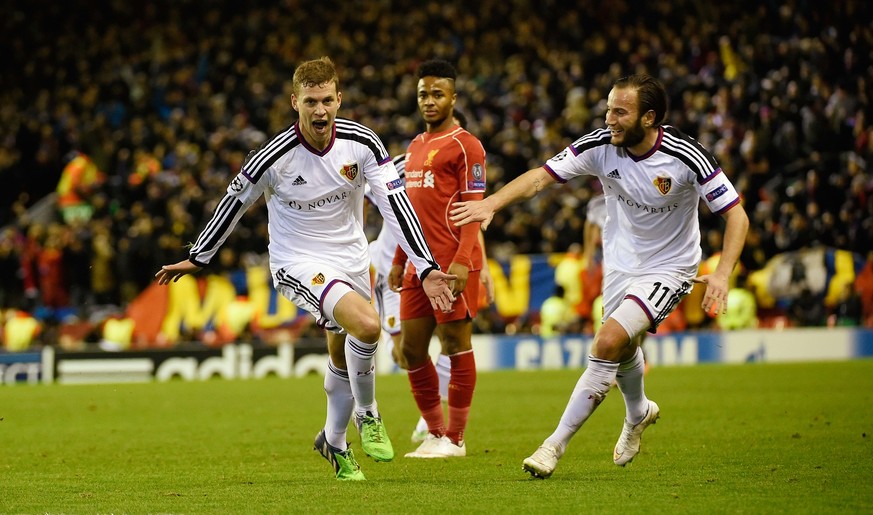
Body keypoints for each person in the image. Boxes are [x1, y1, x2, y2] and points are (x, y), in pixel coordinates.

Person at [155, 57, 456, 481]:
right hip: (297, 261)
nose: (320, 111)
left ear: (339, 99)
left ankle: (332, 442)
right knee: (368, 327)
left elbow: (396, 204)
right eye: (311, 101)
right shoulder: (272, 157)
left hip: (351, 259)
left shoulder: (363, 143)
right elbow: (234, 203)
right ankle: (368, 415)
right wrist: (200, 255)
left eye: (327, 100)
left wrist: (425, 267)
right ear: (295, 101)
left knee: (341, 351)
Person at [451, 73, 749, 478]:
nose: (609, 118)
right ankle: (639, 412)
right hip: (620, 264)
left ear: (649, 118)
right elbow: (540, 177)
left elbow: (736, 215)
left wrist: (723, 274)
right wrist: (493, 204)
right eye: (609, 108)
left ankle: (552, 446)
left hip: (671, 266)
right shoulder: (599, 146)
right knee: (623, 348)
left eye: (620, 111)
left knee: (607, 341)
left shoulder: (686, 157)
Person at [366, 113, 494, 444]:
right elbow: (399, 213)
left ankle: (443, 430)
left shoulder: (464, 155)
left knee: (451, 340)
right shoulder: (399, 161)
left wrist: (481, 266)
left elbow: (470, 215)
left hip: (446, 262)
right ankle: (436, 422)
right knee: (404, 352)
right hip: (400, 267)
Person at [388, 59, 488, 458]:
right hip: (418, 265)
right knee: (411, 350)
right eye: (423, 95)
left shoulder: (468, 145)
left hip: (451, 264)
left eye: (437, 94)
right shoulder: (414, 146)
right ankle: (435, 432)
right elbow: (407, 209)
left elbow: (474, 208)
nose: (429, 101)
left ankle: (456, 439)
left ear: (453, 98)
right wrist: (399, 256)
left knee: (454, 343)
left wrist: (463, 261)